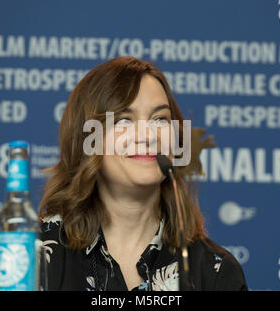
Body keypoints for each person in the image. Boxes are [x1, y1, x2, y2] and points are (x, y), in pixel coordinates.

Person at [38, 56, 248, 291]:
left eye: (160, 119)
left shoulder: (215, 271)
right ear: (87, 139)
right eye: (124, 120)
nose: (148, 136)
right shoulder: (36, 253)